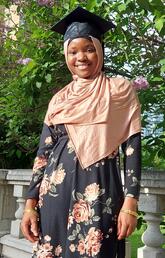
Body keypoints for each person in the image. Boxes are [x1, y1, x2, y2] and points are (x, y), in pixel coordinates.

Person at [21, 6, 141, 258]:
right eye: (73, 51)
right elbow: (43, 155)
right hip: (54, 195)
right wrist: (30, 206)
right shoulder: (59, 99)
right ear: (66, 56)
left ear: (99, 51)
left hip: (99, 192)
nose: (81, 57)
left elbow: (132, 147)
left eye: (88, 49)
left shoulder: (119, 91)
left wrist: (131, 201)